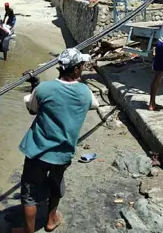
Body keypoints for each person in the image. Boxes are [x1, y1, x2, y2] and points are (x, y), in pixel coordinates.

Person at [13, 48, 99, 233]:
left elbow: (32, 109)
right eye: (81, 66)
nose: (83, 68)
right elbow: (93, 104)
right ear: (76, 69)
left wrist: (35, 84)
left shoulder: (44, 88)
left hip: (38, 151)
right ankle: (51, 221)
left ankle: (28, 231)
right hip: (63, 153)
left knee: (29, 193)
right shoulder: (85, 92)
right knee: (55, 183)